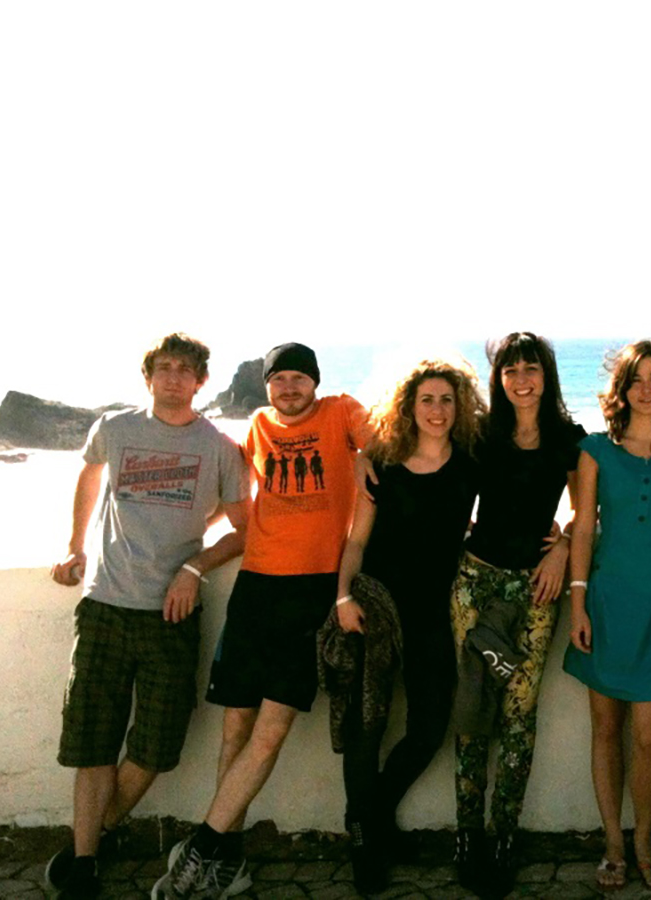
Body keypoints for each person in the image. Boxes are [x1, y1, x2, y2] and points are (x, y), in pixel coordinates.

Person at [154, 342, 370, 900]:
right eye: (280, 380)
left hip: (313, 594)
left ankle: (202, 848)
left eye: (300, 378)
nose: (290, 388)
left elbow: (396, 443)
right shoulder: (255, 424)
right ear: (267, 386)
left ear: (316, 383)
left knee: (270, 734)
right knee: (235, 730)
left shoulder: (342, 412)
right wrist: (186, 556)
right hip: (253, 590)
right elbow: (225, 493)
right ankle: (229, 859)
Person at [46, 333, 250, 900]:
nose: (175, 378)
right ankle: (86, 866)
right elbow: (89, 476)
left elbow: (244, 528)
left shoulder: (219, 448)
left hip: (171, 616)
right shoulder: (114, 428)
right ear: (149, 376)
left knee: (156, 746)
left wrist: (194, 568)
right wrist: (74, 544)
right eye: (165, 368)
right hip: (106, 604)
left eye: (186, 370)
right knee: (93, 740)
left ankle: (98, 833)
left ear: (201, 382)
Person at [333, 358, 485, 893]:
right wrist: (343, 595)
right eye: (427, 400)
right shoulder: (382, 462)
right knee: (366, 726)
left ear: (459, 405)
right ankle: (365, 846)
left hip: (432, 613)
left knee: (428, 727)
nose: (438, 410)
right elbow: (356, 540)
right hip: (375, 605)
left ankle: (368, 818)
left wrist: (561, 538)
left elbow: (520, 489)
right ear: (409, 406)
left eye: (447, 400)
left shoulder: (470, 462)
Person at [449, 332, 585, 897]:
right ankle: (467, 837)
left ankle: (505, 837)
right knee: (472, 711)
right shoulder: (480, 434)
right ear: (498, 378)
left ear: (546, 375)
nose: (521, 379)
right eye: (510, 370)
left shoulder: (567, 439)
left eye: (531, 368)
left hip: (535, 589)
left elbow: (587, 510)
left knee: (520, 715)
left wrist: (560, 549)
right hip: (474, 583)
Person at [564, 340, 651, 891]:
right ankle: (613, 843)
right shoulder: (595, 449)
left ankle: (644, 837)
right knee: (605, 730)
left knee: (648, 736)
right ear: (620, 390)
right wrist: (577, 604)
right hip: (607, 605)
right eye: (636, 379)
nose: (647, 387)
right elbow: (584, 528)